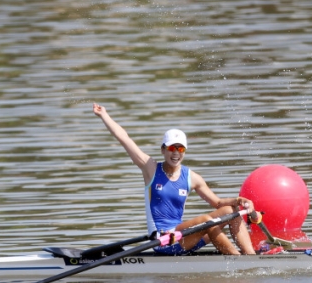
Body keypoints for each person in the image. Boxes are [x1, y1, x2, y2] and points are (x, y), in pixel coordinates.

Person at [93, 103, 256, 255]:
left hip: (185, 238)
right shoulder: (150, 169)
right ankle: (237, 262)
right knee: (207, 220)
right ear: (163, 150)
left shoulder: (192, 177)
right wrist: (104, 115)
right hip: (162, 241)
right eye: (171, 148)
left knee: (231, 211)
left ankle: (251, 257)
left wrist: (239, 201)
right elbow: (124, 138)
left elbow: (218, 203)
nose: (176, 153)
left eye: (180, 148)